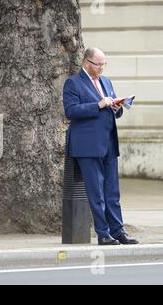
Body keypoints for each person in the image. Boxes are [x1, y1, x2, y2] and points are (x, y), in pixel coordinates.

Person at [63, 47, 138, 245]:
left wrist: (117, 106)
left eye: (104, 64)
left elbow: (110, 109)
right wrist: (98, 105)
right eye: (98, 65)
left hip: (108, 143)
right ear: (86, 63)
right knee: (96, 192)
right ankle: (103, 233)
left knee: (112, 191)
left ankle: (118, 231)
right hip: (87, 146)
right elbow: (71, 111)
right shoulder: (73, 83)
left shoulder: (105, 81)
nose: (102, 68)